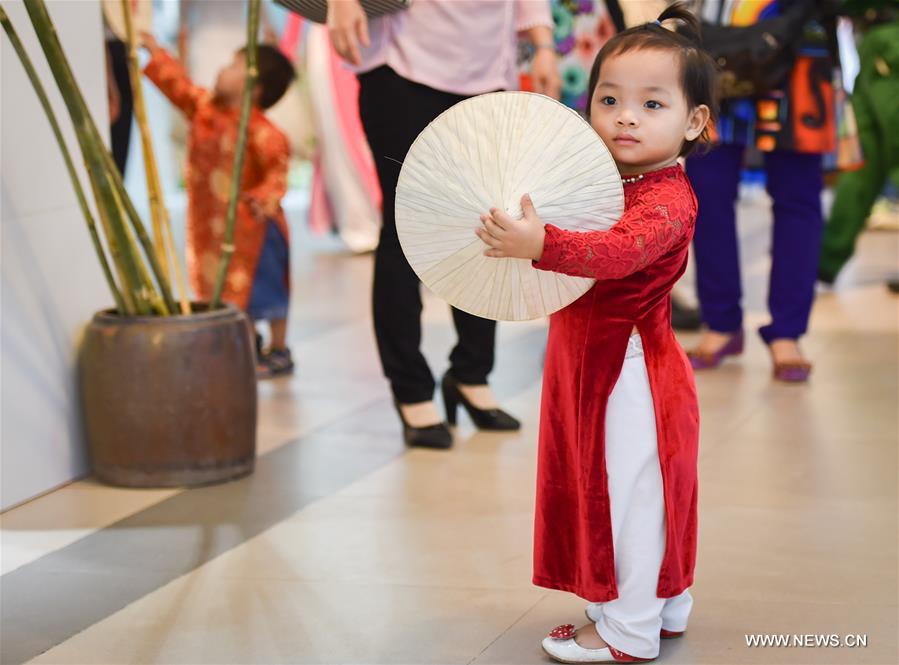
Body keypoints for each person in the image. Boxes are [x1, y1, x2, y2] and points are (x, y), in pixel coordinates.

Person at [476, 4, 714, 661]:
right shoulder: (615, 179)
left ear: (694, 122)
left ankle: (627, 630)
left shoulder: (666, 198)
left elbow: (614, 252)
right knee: (640, 489)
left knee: (629, 495)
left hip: (628, 371)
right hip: (601, 365)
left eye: (651, 104)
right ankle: (660, 604)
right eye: (608, 99)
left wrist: (538, 242)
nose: (625, 116)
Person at [327, 0, 560, 449]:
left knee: (486, 227)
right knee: (403, 231)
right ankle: (411, 388)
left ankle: (471, 374)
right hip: (402, 66)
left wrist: (543, 43)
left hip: (489, 70)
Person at [686, 0, 839, 382]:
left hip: (799, 41)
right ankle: (720, 323)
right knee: (706, 189)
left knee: (797, 196)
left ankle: (787, 332)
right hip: (718, 42)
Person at [141, 32, 297, 377]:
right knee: (224, 290)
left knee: (265, 291)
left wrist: (264, 198)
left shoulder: (263, 131)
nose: (223, 70)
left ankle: (280, 346)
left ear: (254, 86)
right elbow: (177, 85)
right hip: (211, 227)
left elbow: (277, 170)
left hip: (254, 231)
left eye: (234, 65)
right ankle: (245, 343)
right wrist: (154, 52)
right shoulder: (204, 110)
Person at [818, 6, 899, 286]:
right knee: (862, 159)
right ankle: (826, 261)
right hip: (875, 41)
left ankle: (826, 260)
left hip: (887, 39)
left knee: (872, 155)